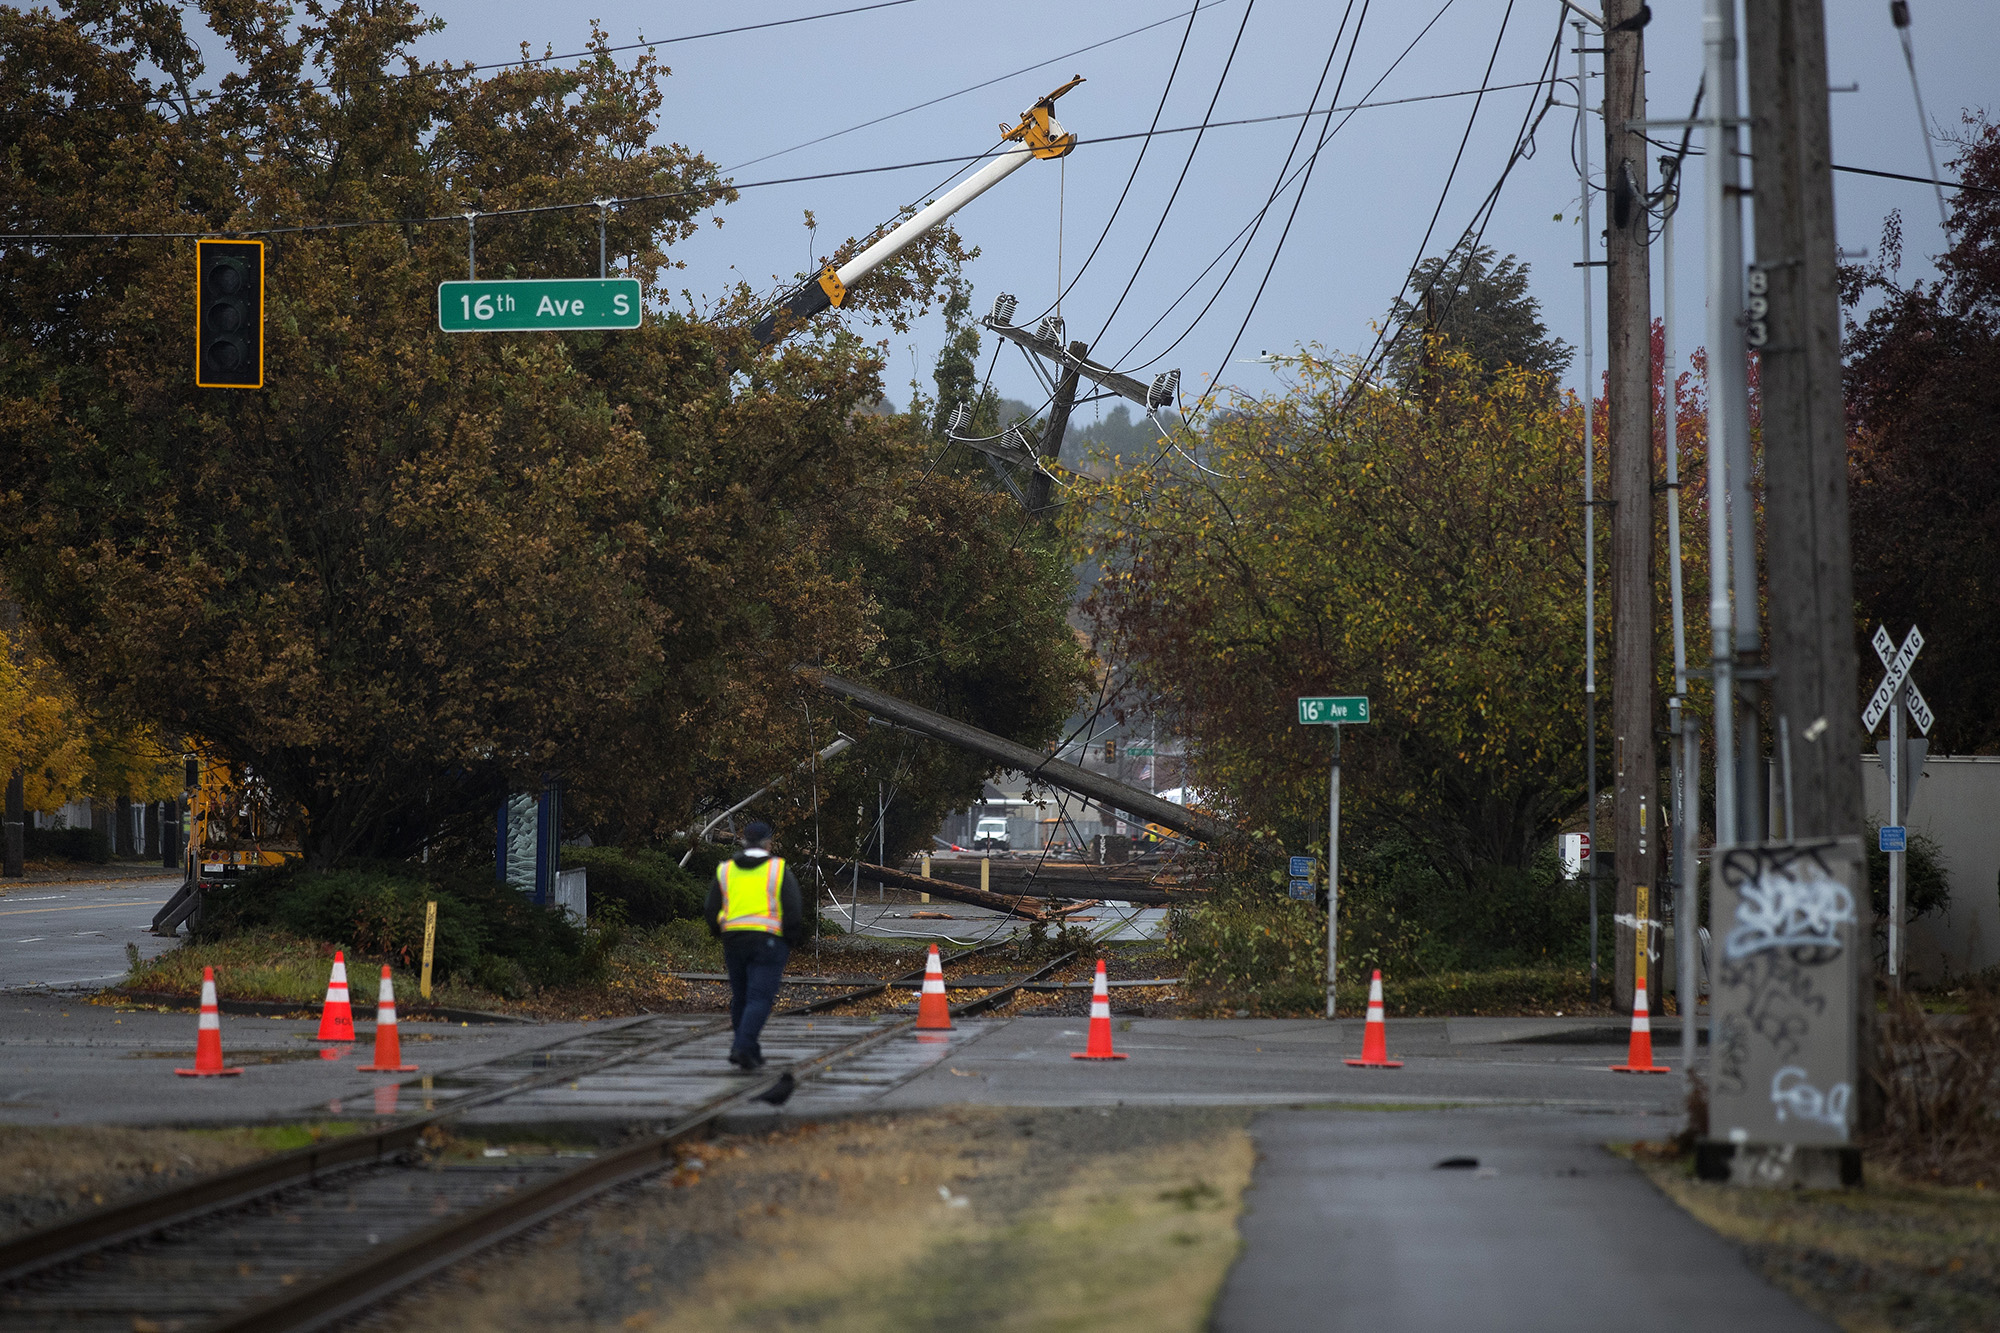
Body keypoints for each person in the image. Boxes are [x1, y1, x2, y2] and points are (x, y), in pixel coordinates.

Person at [704, 821, 808, 1070]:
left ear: (743, 842)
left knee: (740, 997)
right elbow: (793, 910)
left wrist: (719, 931)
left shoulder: (726, 870)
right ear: (768, 843)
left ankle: (749, 1052)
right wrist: (791, 939)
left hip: (734, 940)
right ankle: (741, 1046)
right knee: (759, 998)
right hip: (768, 942)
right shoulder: (778, 870)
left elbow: (711, 908)